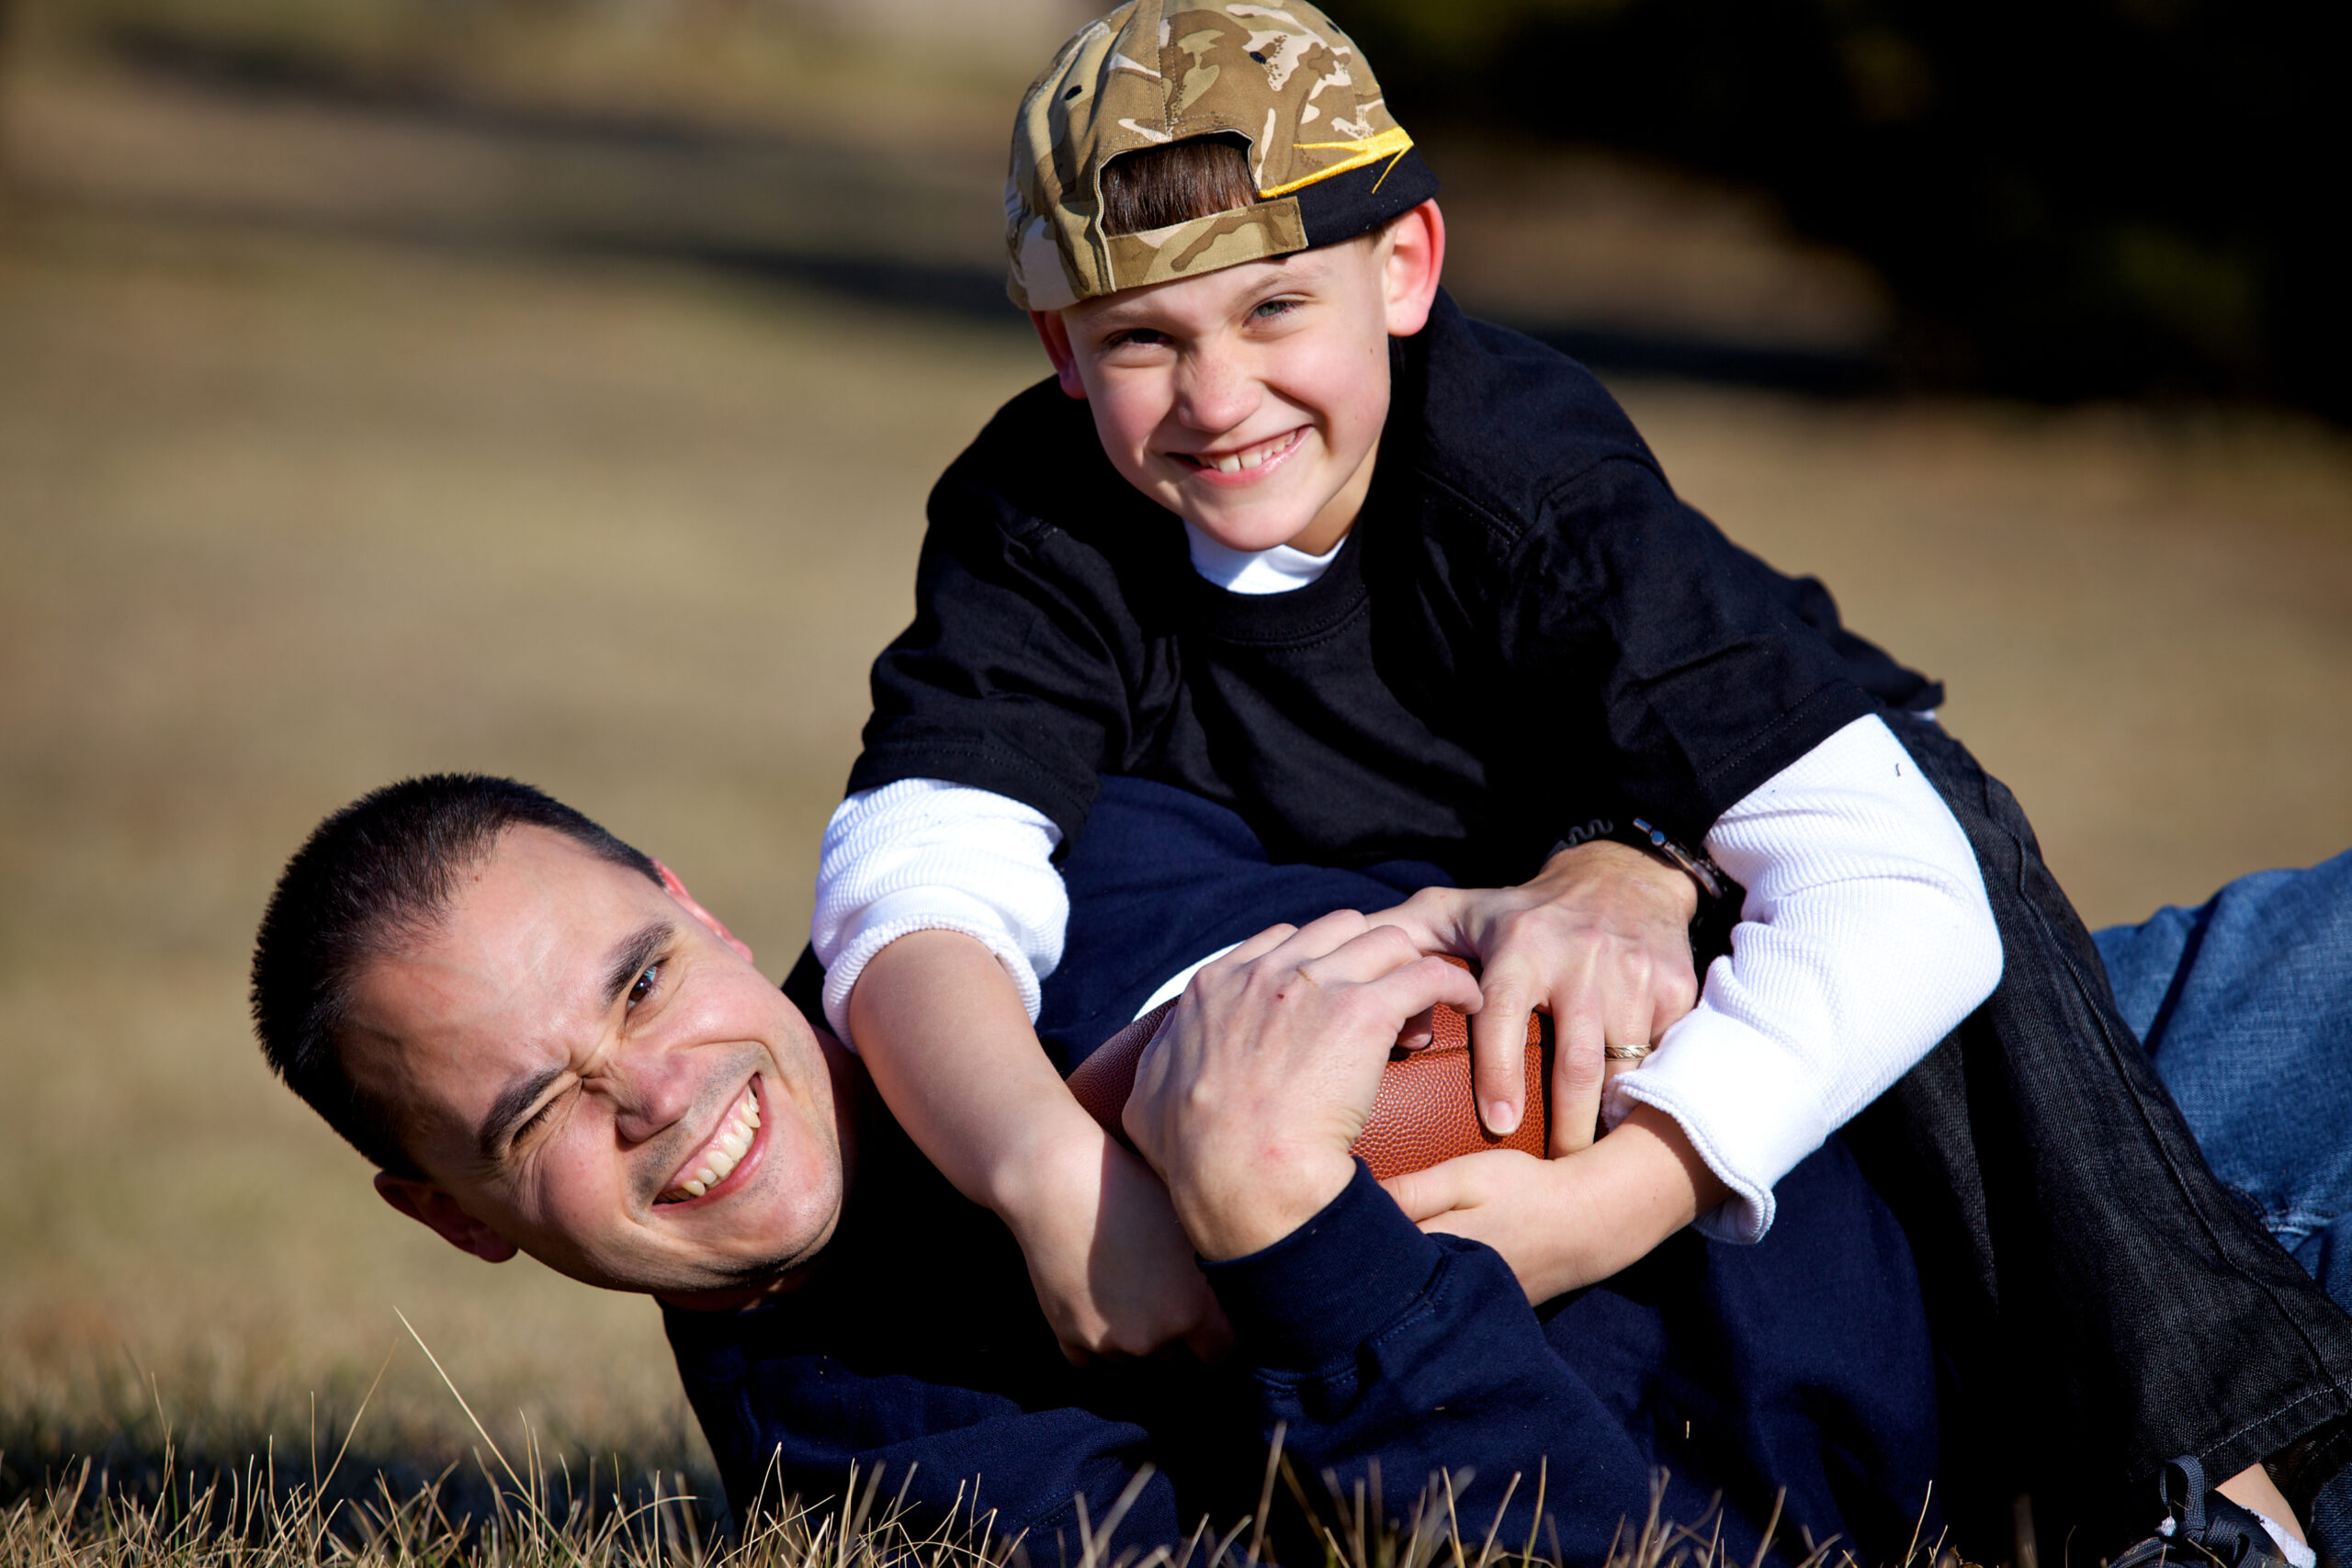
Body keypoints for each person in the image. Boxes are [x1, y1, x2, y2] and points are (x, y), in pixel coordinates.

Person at [798, 1, 2352, 1553]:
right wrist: (1050, 1177)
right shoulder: (1042, 522)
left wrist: (1621, 1194)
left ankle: (2206, 1487)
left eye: (1276, 309)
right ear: (1063, 348)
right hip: (1475, 978)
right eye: (1144, 337)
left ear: (1404, 267)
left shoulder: (1513, 477)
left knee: (1945, 842)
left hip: (1753, 841)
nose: (1217, 398)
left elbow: (1895, 877)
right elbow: (910, 876)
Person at [248, 775, 1951, 1566]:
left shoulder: (1015, 876)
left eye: (640, 981)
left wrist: (1615, 863)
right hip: (2006, 1392)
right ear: (454, 1221)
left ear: (696, 908)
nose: (660, 1095)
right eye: (536, 1113)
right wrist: (1288, 1226)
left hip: (2007, 1074)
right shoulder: (887, 1475)